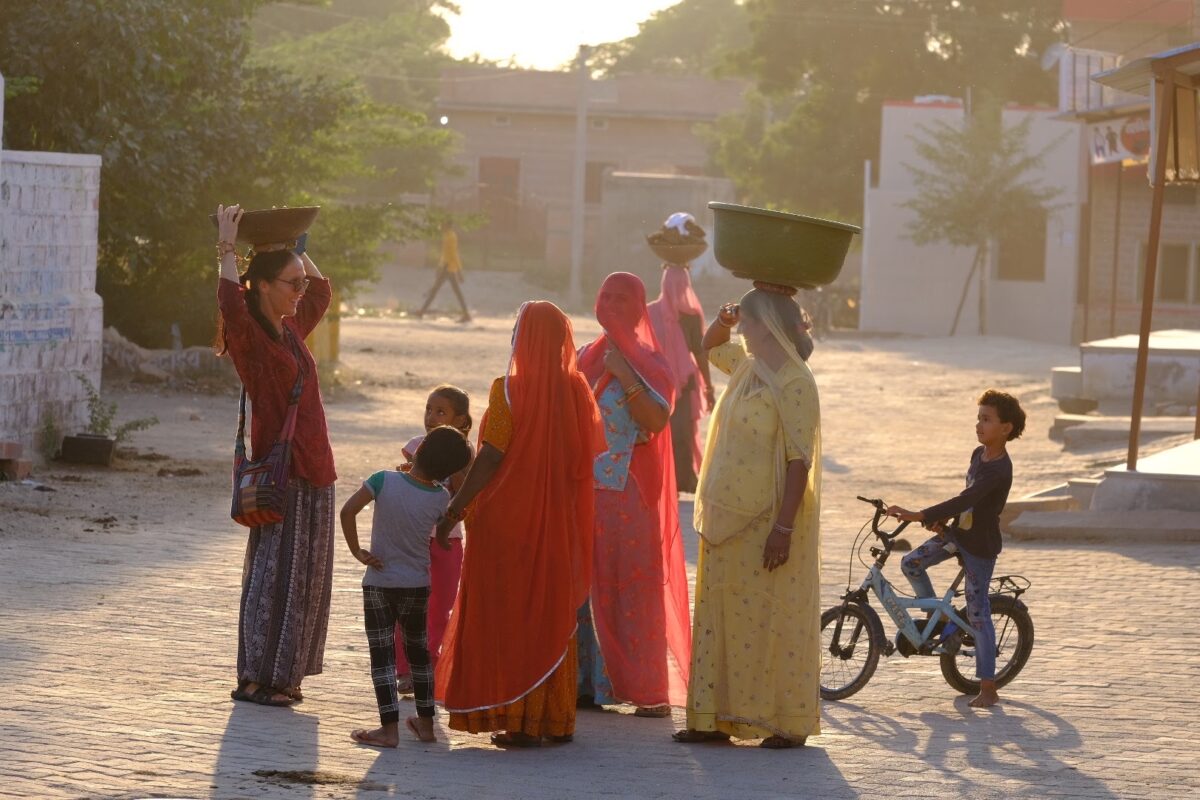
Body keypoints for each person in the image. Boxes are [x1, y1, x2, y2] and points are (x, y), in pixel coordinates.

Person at [434, 301, 605, 748]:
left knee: (509, 615)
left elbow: (491, 455)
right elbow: (582, 461)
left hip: (505, 522)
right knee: (548, 609)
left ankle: (516, 719)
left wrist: (456, 509)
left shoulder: (507, 389)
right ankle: (553, 718)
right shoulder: (576, 390)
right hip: (555, 522)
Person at [674, 288, 822, 749]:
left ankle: (780, 721)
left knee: (766, 618)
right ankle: (713, 719)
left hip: (766, 521)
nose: (743, 332)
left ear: (769, 327)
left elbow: (800, 460)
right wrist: (724, 318)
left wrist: (783, 528)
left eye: (748, 324)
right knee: (721, 615)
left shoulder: (796, 383)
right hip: (724, 518)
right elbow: (710, 346)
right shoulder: (747, 365)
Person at [215, 204, 336, 708]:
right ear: (262, 286)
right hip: (285, 472)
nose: (300, 291)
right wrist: (227, 249)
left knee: (300, 578)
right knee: (274, 579)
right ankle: (260, 678)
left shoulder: (289, 329)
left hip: (314, 471)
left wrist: (288, 249)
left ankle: (279, 678)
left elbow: (323, 291)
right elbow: (229, 301)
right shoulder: (253, 340)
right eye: (290, 283)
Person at [576, 272, 691, 717]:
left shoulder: (650, 362)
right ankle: (590, 686)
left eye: (621, 298)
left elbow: (657, 420)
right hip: (584, 492)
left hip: (630, 494)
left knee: (632, 591)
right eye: (604, 295)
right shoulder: (586, 355)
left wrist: (624, 375)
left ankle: (646, 690)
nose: (610, 304)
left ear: (640, 306)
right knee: (584, 592)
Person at [885, 389, 1026, 710]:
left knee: (978, 613)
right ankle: (937, 621)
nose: (979, 425)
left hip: (980, 547)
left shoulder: (999, 469)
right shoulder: (979, 455)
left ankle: (988, 687)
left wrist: (922, 514)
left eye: (987, 420)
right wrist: (943, 521)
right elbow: (967, 500)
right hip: (958, 534)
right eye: (978, 418)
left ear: (1005, 428)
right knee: (911, 563)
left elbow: (969, 498)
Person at [338, 425, 472, 747]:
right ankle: (426, 725)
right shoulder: (441, 497)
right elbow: (442, 536)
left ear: (421, 446)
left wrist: (359, 552)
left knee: (383, 658)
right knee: (420, 655)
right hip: (417, 584)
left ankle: (388, 729)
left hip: (380, 582)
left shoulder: (383, 480)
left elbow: (348, 511)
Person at [393, 385, 474, 694]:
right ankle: (404, 669)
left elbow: (465, 491)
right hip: (415, 539)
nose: (431, 417)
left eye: (441, 412)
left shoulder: (466, 454)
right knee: (409, 604)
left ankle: (427, 663)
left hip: (448, 541)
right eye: (429, 409)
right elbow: (407, 482)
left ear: (461, 420)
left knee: (440, 607)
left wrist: (454, 464)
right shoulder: (416, 446)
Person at [648, 262, 714, 493]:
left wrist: (708, 387)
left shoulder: (688, 316)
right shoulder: (653, 312)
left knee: (678, 432)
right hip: (663, 382)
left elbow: (699, 351)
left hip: (672, 382)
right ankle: (667, 481)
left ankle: (678, 480)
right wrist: (709, 387)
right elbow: (700, 353)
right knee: (669, 432)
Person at [416, 220, 470, 322]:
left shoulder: (450, 237)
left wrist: (459, 271)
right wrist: (439, 266)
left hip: (448, 268)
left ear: (446, 225)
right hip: (446, 267)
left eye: (442, 224)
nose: (440, 226)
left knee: (437, 289)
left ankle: (422, 311)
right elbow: (445, 254)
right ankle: (466, 314)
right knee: (445, 290)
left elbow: (453, 254)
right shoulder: (447, 235)